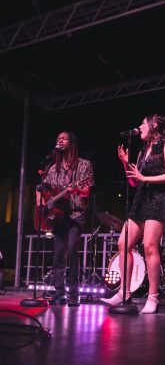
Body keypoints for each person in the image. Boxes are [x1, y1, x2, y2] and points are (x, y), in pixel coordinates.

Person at [100, 114, 165, 313]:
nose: (139, 127)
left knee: (151, 247)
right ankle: (124, 292)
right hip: (141, 200)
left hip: (158, 200)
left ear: (153, 125)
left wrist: (144, 177)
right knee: (123, 244)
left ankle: (153, 297)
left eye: (142, 123)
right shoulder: (143, 152)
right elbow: (135, 182)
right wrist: (126, 164)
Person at [36, 131, 94, 306]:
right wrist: (41, 201)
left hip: (76, 214)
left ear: (72, 143)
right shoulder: (53, 168)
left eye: (63, 138)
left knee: (71, 250)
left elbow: (87, 191)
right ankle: (59, 292)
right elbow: (43, 187)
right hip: (58, 215)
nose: (59, 140)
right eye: (58, 138)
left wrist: (75, 190)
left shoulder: (84, 165)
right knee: (58, 254)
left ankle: (74, 295)